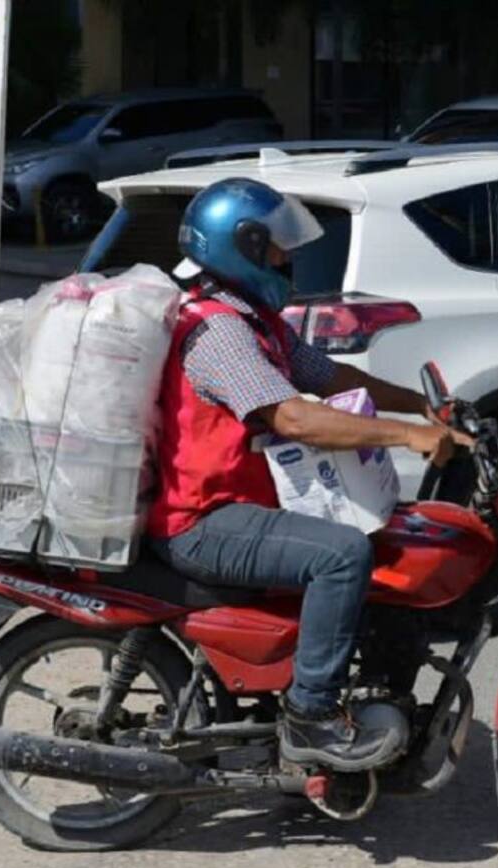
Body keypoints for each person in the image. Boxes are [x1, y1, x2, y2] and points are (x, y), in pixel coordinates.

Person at [146, 177, 471, 770]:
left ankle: (375, 688)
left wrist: (419, 406)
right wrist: (406, 436)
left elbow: (329, 378)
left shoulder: (255, 320)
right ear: (241, 246)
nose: (286, 258)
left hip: (237, 507)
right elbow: (295, 417)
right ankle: (311, 716)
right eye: (274, 247)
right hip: (201, 522)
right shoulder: (219, 331)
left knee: (392, 537)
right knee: (341, 554)